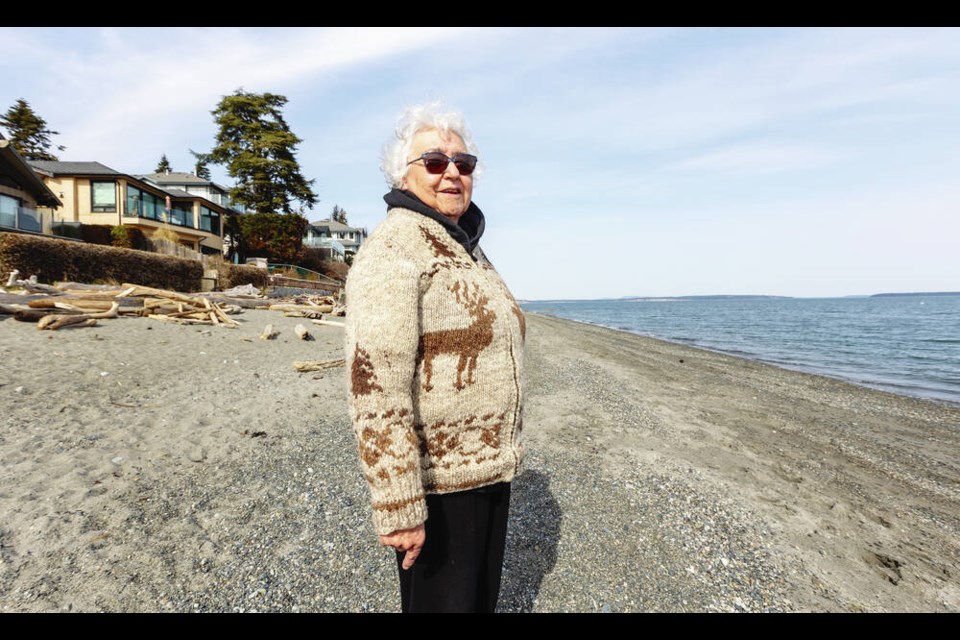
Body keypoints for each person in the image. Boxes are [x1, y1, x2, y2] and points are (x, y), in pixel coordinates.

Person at [344, 102, 526, 613]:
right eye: (434, 161)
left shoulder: (460, 244)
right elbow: (374, 384)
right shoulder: (395, 248)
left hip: (486, 472)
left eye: (463, 164)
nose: (452, 172)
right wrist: (400, 504)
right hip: (439, 486)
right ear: (402, 175)